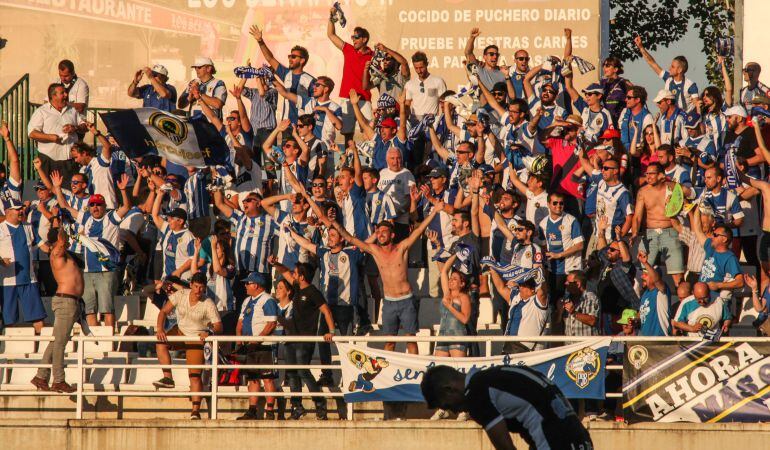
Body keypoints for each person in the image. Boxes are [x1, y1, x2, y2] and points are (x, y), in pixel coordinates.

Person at [324, 199, 443, 354]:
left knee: (411, 340)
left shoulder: (402, 248)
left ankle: (415, 376)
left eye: (383, 232)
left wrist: (434, 211)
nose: (380, 235)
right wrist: (337, 225)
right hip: (389, 302)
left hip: (406, 300)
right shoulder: (375, 250)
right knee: (389, 342)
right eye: (378, 232)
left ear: (392, 235)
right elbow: (351, 239)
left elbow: (418, 231)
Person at [421, 365, 593, 450]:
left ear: (449, 389)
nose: (454, 411)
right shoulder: (498, 375)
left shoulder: (476, 394)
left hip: (554, 444)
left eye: (447, 405)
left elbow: (505, 448)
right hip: (580, 439)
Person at [54, 173, 132, 326]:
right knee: (89, 310)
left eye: (98, 205)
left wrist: (123, 190)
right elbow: (65, 207)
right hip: (89, 270)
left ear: (104, 207)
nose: (95, 207)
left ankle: (108, 345)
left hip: (106, 270)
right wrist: (57, 187)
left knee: (107, 309)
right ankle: (94, 343)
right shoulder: (86, 218)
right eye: (92, 205)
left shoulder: (111, 218)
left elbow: (126, 207)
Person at [153, 272, 223, 420]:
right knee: (160, 342)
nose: (198, 290)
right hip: (180, 331)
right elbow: (164, 311)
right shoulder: (181, 294)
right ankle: (168, 377)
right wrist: (160, 329)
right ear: (191, 285)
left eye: (202, 288)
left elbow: (218, 325)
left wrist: (209, 332)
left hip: (197, 337)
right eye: (196, 286)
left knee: (194, 376)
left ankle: (195, 411)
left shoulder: (208, 303)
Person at [272, 261, 335, 420]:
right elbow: (284, 271)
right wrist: (275, 263)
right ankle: (297, 407)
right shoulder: (296, 288)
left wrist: (331, 332)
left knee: (303, 371)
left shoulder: (313, 291)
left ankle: (320, 403)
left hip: (305, 338)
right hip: (292, 337)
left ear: (301, 276)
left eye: (295, 273)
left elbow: (326, 311)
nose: (292, 275)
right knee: (292, 373)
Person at [30, 226, 83, 393]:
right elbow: (60, 243)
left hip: (71, 302)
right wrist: (58, 225)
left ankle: (41, 376)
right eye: (64, 236)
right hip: (66, 302)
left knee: (56, 341)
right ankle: (59, 380)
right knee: (60, 343)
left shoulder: (62, 253)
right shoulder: (56, 253)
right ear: (59, 239)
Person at [235, 272, 279, 420]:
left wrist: (257, 340)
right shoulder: (247, 300)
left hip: (265, 345)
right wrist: (239, 340)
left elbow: (271, 323)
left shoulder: (267, 300)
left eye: (248, 283)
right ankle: (252, 410)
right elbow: (240, 322)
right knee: (252, 378)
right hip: (250, 346)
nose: (245, 286)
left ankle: (270, 411)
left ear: (256, 285)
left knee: (267, 378)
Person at [632, 162, 685, 286]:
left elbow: (688, 192)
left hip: (670, 232)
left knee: (678, 276)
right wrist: (634, 233)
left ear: (660, 175)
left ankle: (684, 302)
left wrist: (670, 183)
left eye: (652, 173)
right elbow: (637, 216)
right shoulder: (643, 191)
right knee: (642, 274)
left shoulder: (671, 188)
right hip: (650, 234)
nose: (648, 177)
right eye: (647, 173)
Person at [0, 199, 46, 334]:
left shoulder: (28, 227)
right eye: (17, 209)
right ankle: (10, 350)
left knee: (38, 316)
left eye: (22, 209)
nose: (21, 211)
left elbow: (42, 245)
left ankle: (43, 348)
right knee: (10, 320)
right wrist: (1, 260)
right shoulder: (1, 228)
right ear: (8, 212)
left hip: (29, 279)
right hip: (7, 282)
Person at [327, 14, 373, 145]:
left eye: (356, 37)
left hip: (364, 98)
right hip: (347, 97)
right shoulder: (349, 49)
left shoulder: (373, 56)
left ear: (364, 39)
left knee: (368, 131)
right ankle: (348, 161)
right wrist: (331, 17)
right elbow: (331, 35)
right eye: (352, 37)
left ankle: (371, 163)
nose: (353, 39)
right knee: (348, 133)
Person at [28, 83, 85, 183]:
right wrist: (51, 138)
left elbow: (84, 127)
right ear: (53, 96)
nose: (66, 95)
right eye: (62, 93)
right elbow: (32, 133)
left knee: (69, 195)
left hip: (70, 162)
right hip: (49, 161)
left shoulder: (72, 110)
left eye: (65, 92)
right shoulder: (41, 112)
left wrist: (74, 128)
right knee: (50, 194)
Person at [634, 36, 699, 111]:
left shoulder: (690, 85)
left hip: (684, 121)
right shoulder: (668, 78)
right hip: (668, 119)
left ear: (680, 70)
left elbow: (697, 107)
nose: (669, 68)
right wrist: (641, 47)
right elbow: (652, 63)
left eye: (672, 67)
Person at [404, 51, 447, 125]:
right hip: (415, 123)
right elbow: (407, 105)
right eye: (416, 68)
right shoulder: (409, 84)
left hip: (432, 122)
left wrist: (443, 121)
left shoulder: (438, 81)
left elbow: (445, 103)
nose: (419, 71)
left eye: (421, 67)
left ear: (427, 64)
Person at [178, 56, 227, 121]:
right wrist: (189, 97)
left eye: (199, 67)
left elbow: (218, 104)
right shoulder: (193, 82)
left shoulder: (218, 83)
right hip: (193, 122)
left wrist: (198, 94)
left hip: (211, 124)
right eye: (195, 68)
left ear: (209, 68)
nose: (196, 70)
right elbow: (180, 105)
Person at [637, 250, 671, 337]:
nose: (642, 276)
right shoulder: (645, 294)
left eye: (646, 274)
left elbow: (657, 280)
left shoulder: (661, 291)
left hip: (660, 339)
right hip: (645, 340)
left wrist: (646, 263)